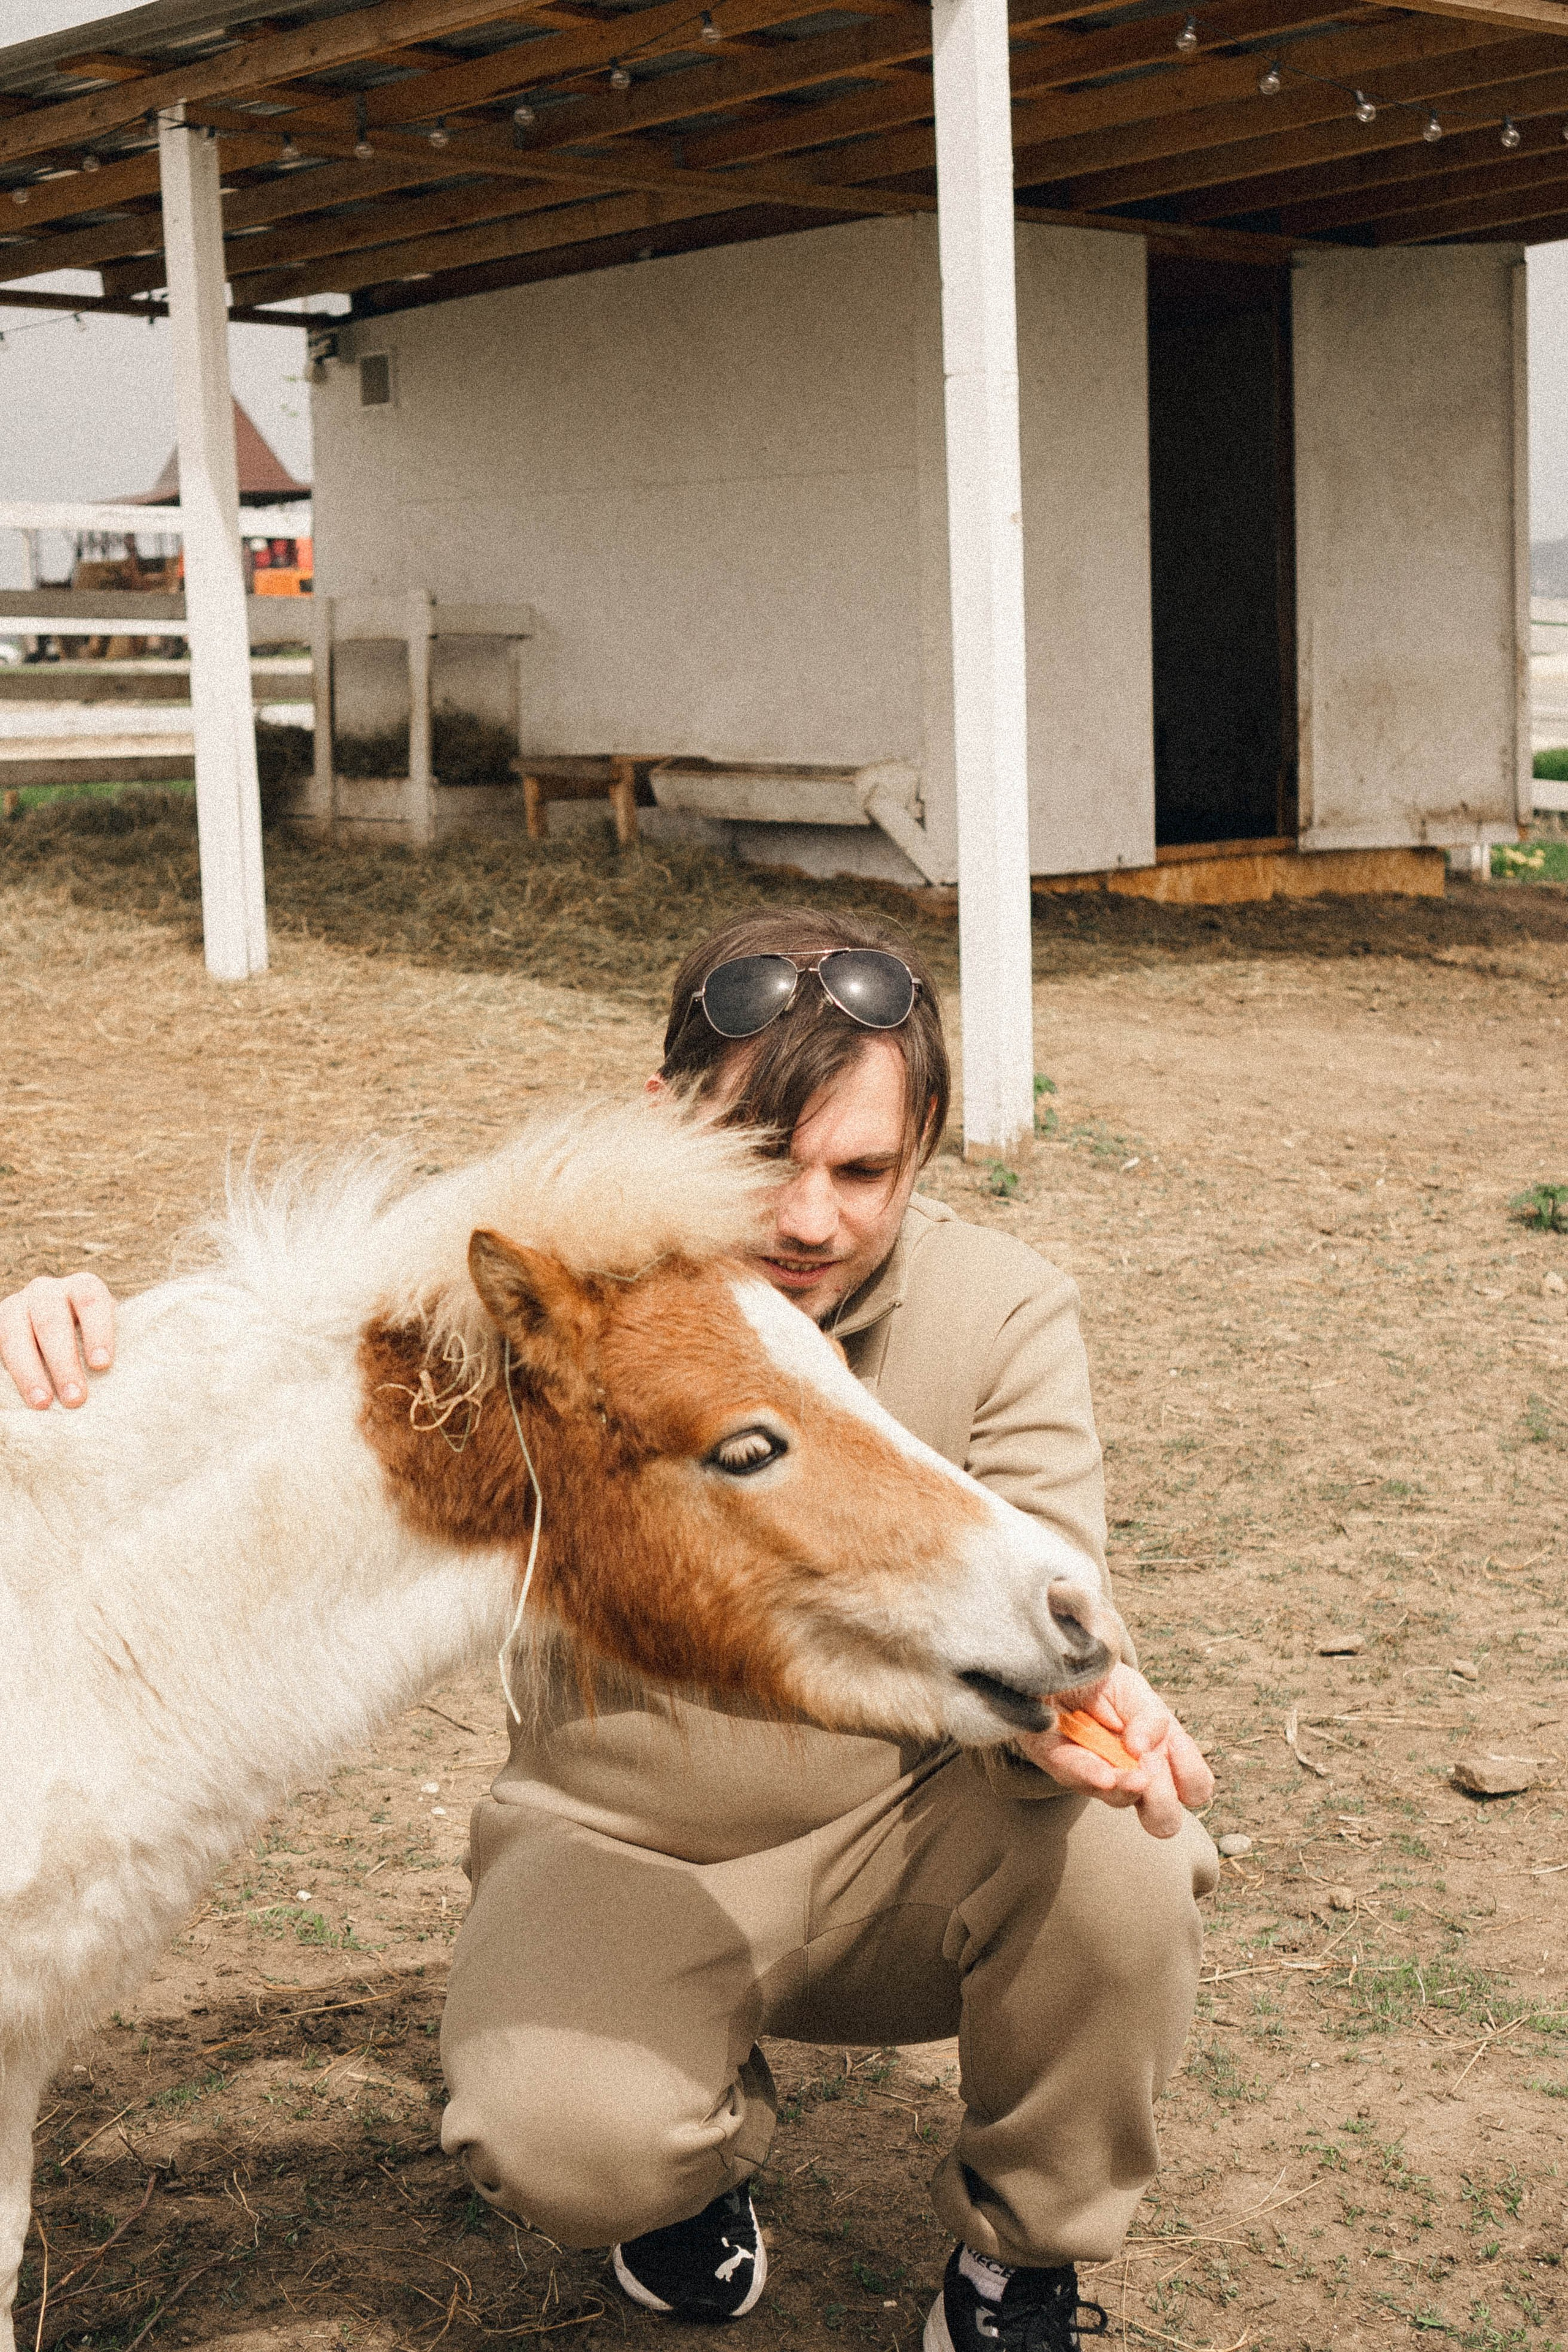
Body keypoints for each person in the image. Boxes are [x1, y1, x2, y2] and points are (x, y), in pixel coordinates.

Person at [1, 907, 1216, 2352]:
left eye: (862, 1169)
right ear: (669, 1121)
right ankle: (674, 2170)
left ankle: (1025, 2254)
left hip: (897, 1846)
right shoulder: (566, 1314)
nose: (810, 1219)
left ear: (928, 1144)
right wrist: (79, 1336)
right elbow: (304, 1353)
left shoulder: (1000, 1307)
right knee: (557, 2133)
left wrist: (1086, 1711)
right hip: (628, 1853)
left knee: (1130, 1860)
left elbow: (1045, 1577)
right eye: (763, 1159)